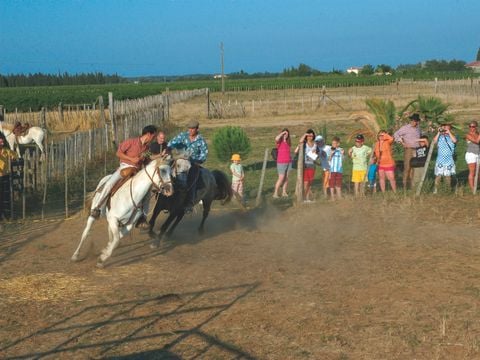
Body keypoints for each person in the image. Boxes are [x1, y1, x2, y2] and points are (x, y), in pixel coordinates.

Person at [90, 125, 157, 224]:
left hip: (136, 172)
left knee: (147, 194)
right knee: (109, 184)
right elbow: (119, 153)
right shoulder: (131, 142)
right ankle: (97, 207)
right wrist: (132, 159)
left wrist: (159, 158)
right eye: (154, 136)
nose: (154, 138)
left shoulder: (147, 148)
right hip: (124, 168)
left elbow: (146, 161)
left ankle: (142, 217)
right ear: (148, 134)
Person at [168, 119, 208, 213]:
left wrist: (198, 161)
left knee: (193, 179)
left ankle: (189, 203)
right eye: (189, 128)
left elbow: (204, 154)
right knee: (167, 174)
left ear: (197, 129)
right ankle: (167, 199)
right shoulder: (182, 136)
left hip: (193, 163)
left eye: (193, 128)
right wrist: (171, 148)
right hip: (180, 160)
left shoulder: (201, 140)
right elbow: (171, 143)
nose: (190, 130)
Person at [394, 113, 421, 190]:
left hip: (417, 150)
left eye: (415, 120)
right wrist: (402, 143)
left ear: (418, 121)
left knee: (414, 168)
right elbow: (396, 134)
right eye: (412, 120)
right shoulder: (405, 128)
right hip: (409, 150)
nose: (413, 122)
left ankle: (412, 186)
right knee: (407, 168)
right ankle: (404, 186)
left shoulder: (418, 129)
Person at [433, 122, 457, 194]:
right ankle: (436, 190)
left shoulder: (452, 136)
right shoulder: (440, 136)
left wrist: (448, 132)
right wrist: (438, 132)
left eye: (447, 126)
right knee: (438, 175)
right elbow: (434, 141)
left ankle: (447, 190)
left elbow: (455, 141)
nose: (445, 127)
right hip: (440, 159)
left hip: (449, 160)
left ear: (450, 128)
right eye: (444, 126)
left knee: (448, 176)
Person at [295, 129, 318, 202]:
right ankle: (304, 197)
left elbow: (317, 155)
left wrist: (316, 154)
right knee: (306, 182)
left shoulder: (315, 144)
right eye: (309, 135)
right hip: (305, 165)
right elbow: (300, 141)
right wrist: (305, 134)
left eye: (311, 136)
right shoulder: (304, 144)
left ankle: (307, 198)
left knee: (310, 182)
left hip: (312, 165)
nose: (310, 137)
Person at [0, 135, 18, 220]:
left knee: (5, 195)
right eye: (0, 141)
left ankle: (5, 214)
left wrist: (13, 158)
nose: (2, 142)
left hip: (5, 176)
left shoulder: (6, 151)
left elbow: (15, 155)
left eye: (3, 141)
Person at [273, 128, 291, 198]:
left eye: (287, 134)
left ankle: (284, 192)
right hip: (281, 162)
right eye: (284, 133)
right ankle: (275, 193)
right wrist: (282, 133)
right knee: (281, 178)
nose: (285, 135)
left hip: (289, 162)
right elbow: (276, 138)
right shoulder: (279, 142)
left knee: (286, 178)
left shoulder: (288, 142)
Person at [464, 121, 480, 193]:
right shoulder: (467, 135)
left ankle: (477, 185)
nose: (471, 128)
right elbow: (476, 141)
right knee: (472, 172)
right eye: (470, 126)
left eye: (473, 126)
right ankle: (473, 189)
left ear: (476, 127)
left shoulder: (478, 134)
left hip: (478, 154)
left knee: (478, 171)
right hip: (471, 154)